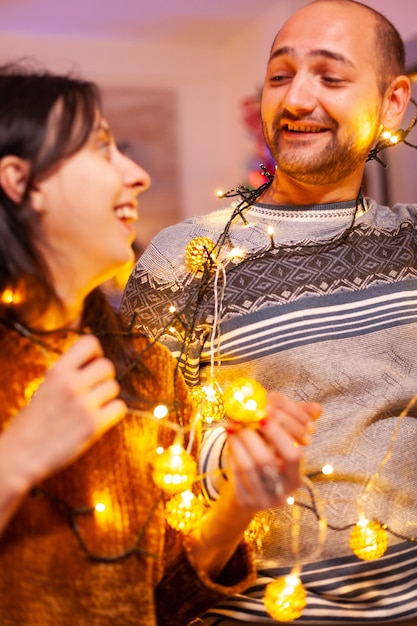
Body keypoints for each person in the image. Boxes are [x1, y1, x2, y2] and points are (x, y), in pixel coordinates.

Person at [121, 0, 417, 624]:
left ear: (394, 101)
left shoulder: (411, 242)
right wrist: (227, 460)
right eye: (280, 76)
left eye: (331, 79)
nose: (296, 101)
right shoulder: (187, 257)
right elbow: (135, 459)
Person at [0, 64, 320, 626]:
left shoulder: (146, 370)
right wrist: (18, 459)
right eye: (101, 148)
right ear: (20, 181)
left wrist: (240, 502)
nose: (138, 176)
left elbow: (161, 603)